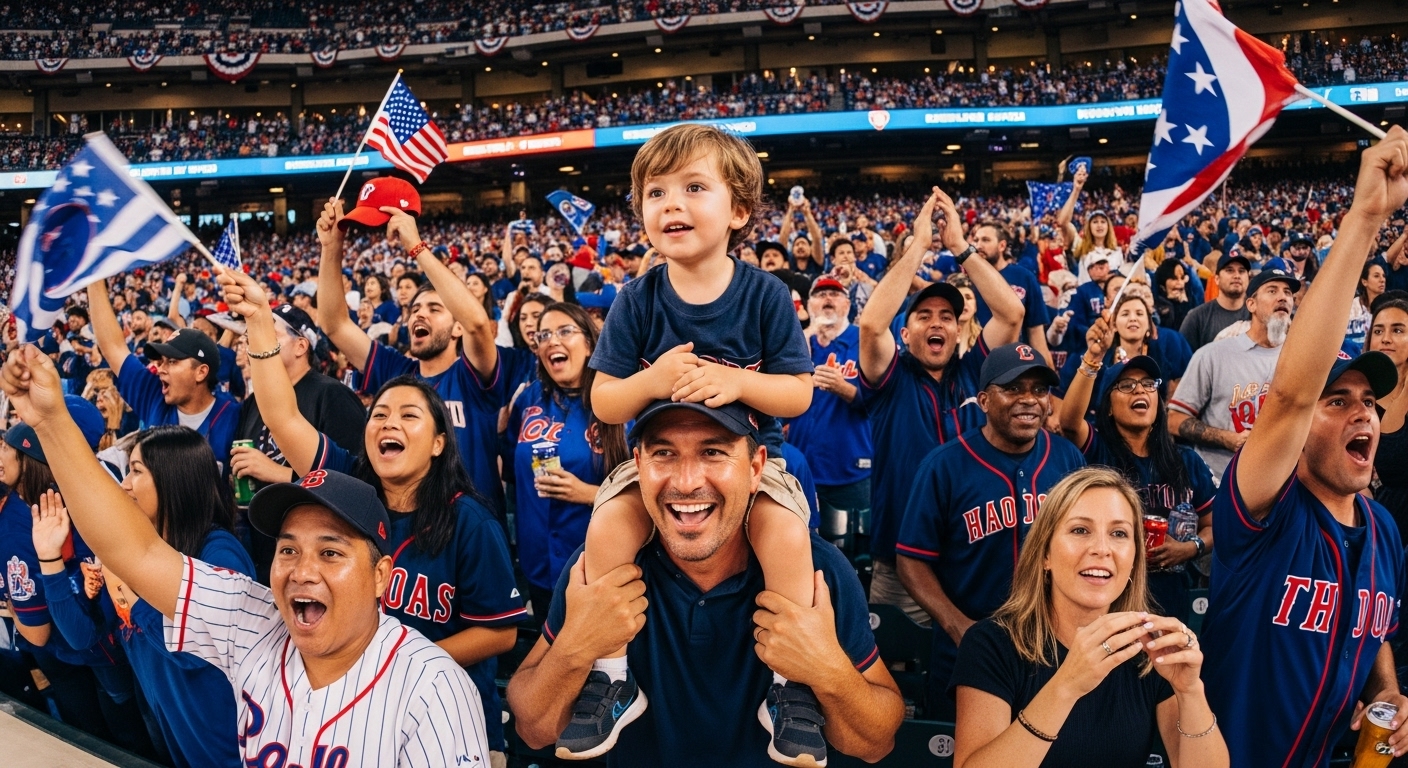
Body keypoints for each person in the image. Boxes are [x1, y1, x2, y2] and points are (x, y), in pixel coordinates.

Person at [0, 345, 493, 767]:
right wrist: (51, 423)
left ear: (381, 574)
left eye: (330, 552)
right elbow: (133, 548)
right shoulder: (252, 620)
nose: (303, 571)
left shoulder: (434, 686)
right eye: (287, 549)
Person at [577, 123, 820, 764]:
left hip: (746, 465)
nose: (671, 205)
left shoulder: (764, 293)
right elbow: (604, 400)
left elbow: (798, 394)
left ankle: (791, 688)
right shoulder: (637, 297)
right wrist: (652, 380)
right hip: (656, 467)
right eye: (655, 193)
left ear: (739, 209)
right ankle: (610, 676)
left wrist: (733, 380)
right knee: (606, 526)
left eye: (693, 187)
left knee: (788, 537)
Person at [219, 266, 524, 764]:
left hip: (448, 718)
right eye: (380, 413)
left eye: (409, 415)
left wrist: (393, 669)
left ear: (438, 443)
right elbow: (281, 414)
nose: (389, 422)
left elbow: (501, 631)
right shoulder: (349, 487)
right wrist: (258, 322)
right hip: (349, 718)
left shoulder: (470, 521)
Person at [506, 400, 905, 767]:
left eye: (713, 452)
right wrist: (576, 647)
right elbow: (534, 728)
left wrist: (828, 670)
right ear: (638, 466)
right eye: (664, 453)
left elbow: (876, 743)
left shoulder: (817, 569)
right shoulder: (601, 566)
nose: (686, 481)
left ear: (755, 468)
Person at [1200, 128, 1408, 768]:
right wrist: (1366, 217)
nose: (1361, 412)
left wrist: (1391, 692)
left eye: (1368, 403)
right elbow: (1291, 395)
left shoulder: (1382, 528)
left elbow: (1371, 627)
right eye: (1338, 400)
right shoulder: (1263, 508)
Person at [951, 467, 1227, 768]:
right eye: (1080, 530)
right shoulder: (991, 644)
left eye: (1119, 533)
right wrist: (1067, 686)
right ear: (1045, 553)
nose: (1101, 549)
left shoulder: (1150, 651)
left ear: (1135, 558)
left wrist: (1190, 692)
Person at [34, 425, 255, 768]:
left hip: (221, 738)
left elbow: (194, 652)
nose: (124, 485)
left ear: (174, 479)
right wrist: (50, 562)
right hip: (167, 726)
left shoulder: (219, 552)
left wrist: (119, 572)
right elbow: (81, 638)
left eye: (136, 471)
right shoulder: (131, 554)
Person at [857, 188, 1024, 625]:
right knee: (896, 671)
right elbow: (873, 323)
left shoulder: (975, 372)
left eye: (946, 316)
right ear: (906, 334)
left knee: (978, 666)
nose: (936, 322)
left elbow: (1010, 314)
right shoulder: (890, 377)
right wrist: (918, 247)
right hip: (901, 560)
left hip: (975, 552)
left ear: (959, 328)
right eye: (923, 315)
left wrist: (959, 247)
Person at [895, 344, 1085, 717]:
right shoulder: (943, 466)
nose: (1028, 400)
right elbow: (911, 561)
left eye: (1039, 390)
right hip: (968, 651)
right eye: (1013, 388)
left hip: (1052, 649)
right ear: (983, 400)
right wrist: (957, 626)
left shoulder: (1067, 458)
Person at [316, 178, 512, 514]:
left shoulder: (474, 375)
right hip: (410, 531)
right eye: (415, 309)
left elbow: (478, 324)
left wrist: (417, 248)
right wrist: (331, 248)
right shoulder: (398, 373)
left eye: (435, 309)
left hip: (472, 534)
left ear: (456, 329)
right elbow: (335, 324)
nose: (420, 314)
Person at [0, 396, 154, 757]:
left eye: (13, 447)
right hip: (106, 656)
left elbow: (56, 634)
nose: (3, 453)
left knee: (122, 739)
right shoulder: (88, 489)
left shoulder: (36, 521)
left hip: (109, 656)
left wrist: (39, 575)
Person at [1057, 317, 1216, 622]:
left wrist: (1190, 548)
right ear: (1108, 406)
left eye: (1148, 384)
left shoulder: (1186, 460)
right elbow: (1068, 422)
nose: (1139, 391)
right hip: (1109, 596)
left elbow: (1215, 527)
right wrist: (1093, 358)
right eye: (1126, 385)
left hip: (1171, 595)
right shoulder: (1098, 449)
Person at [506, 302, 630, 619]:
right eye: (544, 335)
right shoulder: (527, 399)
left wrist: (590, 494)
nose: (552, 341)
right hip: (538, 563)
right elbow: (511, 466)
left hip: (599, 563)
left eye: (564, 331)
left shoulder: (620, 400)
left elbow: (647, 486)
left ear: (589, 344)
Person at [231, 302, 367, 581]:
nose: (254, 343)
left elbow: (356, 483)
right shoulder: (255, 402)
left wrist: (276, 472)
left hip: (318, 559)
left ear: (301, 346)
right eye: (252, 337)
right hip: (263, 549)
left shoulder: (333, 396)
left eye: (271, 335)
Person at [88, 279, 241, 471]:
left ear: (201, 372)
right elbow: (112, 347)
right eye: (162, 361)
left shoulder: (234, 417)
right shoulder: (154, 395)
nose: (161, 368)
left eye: (172, 361)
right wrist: (94, 278)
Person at [1168, 266, 1299, 479]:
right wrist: (1226, 438)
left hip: (1281, 484)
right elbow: (1173, 420)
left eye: (1287, 292)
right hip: (1220, 483)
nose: (1283, 297)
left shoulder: (1301, 360)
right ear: (1251, 304)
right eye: (1272, 290)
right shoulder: (1213, 355)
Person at [789, 277, 872, 550]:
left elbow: (881, 401)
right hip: (801, 467)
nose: (827, 299)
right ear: (809, 304)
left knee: (854, 552)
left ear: (848, 304)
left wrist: (844, 389)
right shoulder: (796, 344)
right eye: (820, 294)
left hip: (849, 467)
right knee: (803, 548)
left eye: (835, 294)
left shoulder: (862, 341)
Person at [1057, 292, 1191, 422]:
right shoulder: (1098, 356)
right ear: (1114, 325)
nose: (1133, 318)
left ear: (1149, 325)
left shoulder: (1161, 356)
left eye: (1139, 313)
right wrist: (1093, 357)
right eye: (1125, 314)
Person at [969, 221, 1054, 366]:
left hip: (1014, 365)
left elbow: (1036, 334)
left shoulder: (1024, 277)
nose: (978, 245)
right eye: (976, 240)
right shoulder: (968, 279)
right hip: (975, 365)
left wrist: (1049, 380)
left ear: (1002, 245)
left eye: (986, 240)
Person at [1368, 298, 1408, 538]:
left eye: (1398, 330)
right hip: (1377, 527)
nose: (1385, 338)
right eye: (1378, 330)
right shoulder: (1358, 402)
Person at [1177, 251, 1251, 352]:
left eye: (1242, 271)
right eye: (1229, 270)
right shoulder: (1197, 318)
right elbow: (1184, 361)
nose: (1237, 275)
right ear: (1216, 279)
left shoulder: (1258, 315)